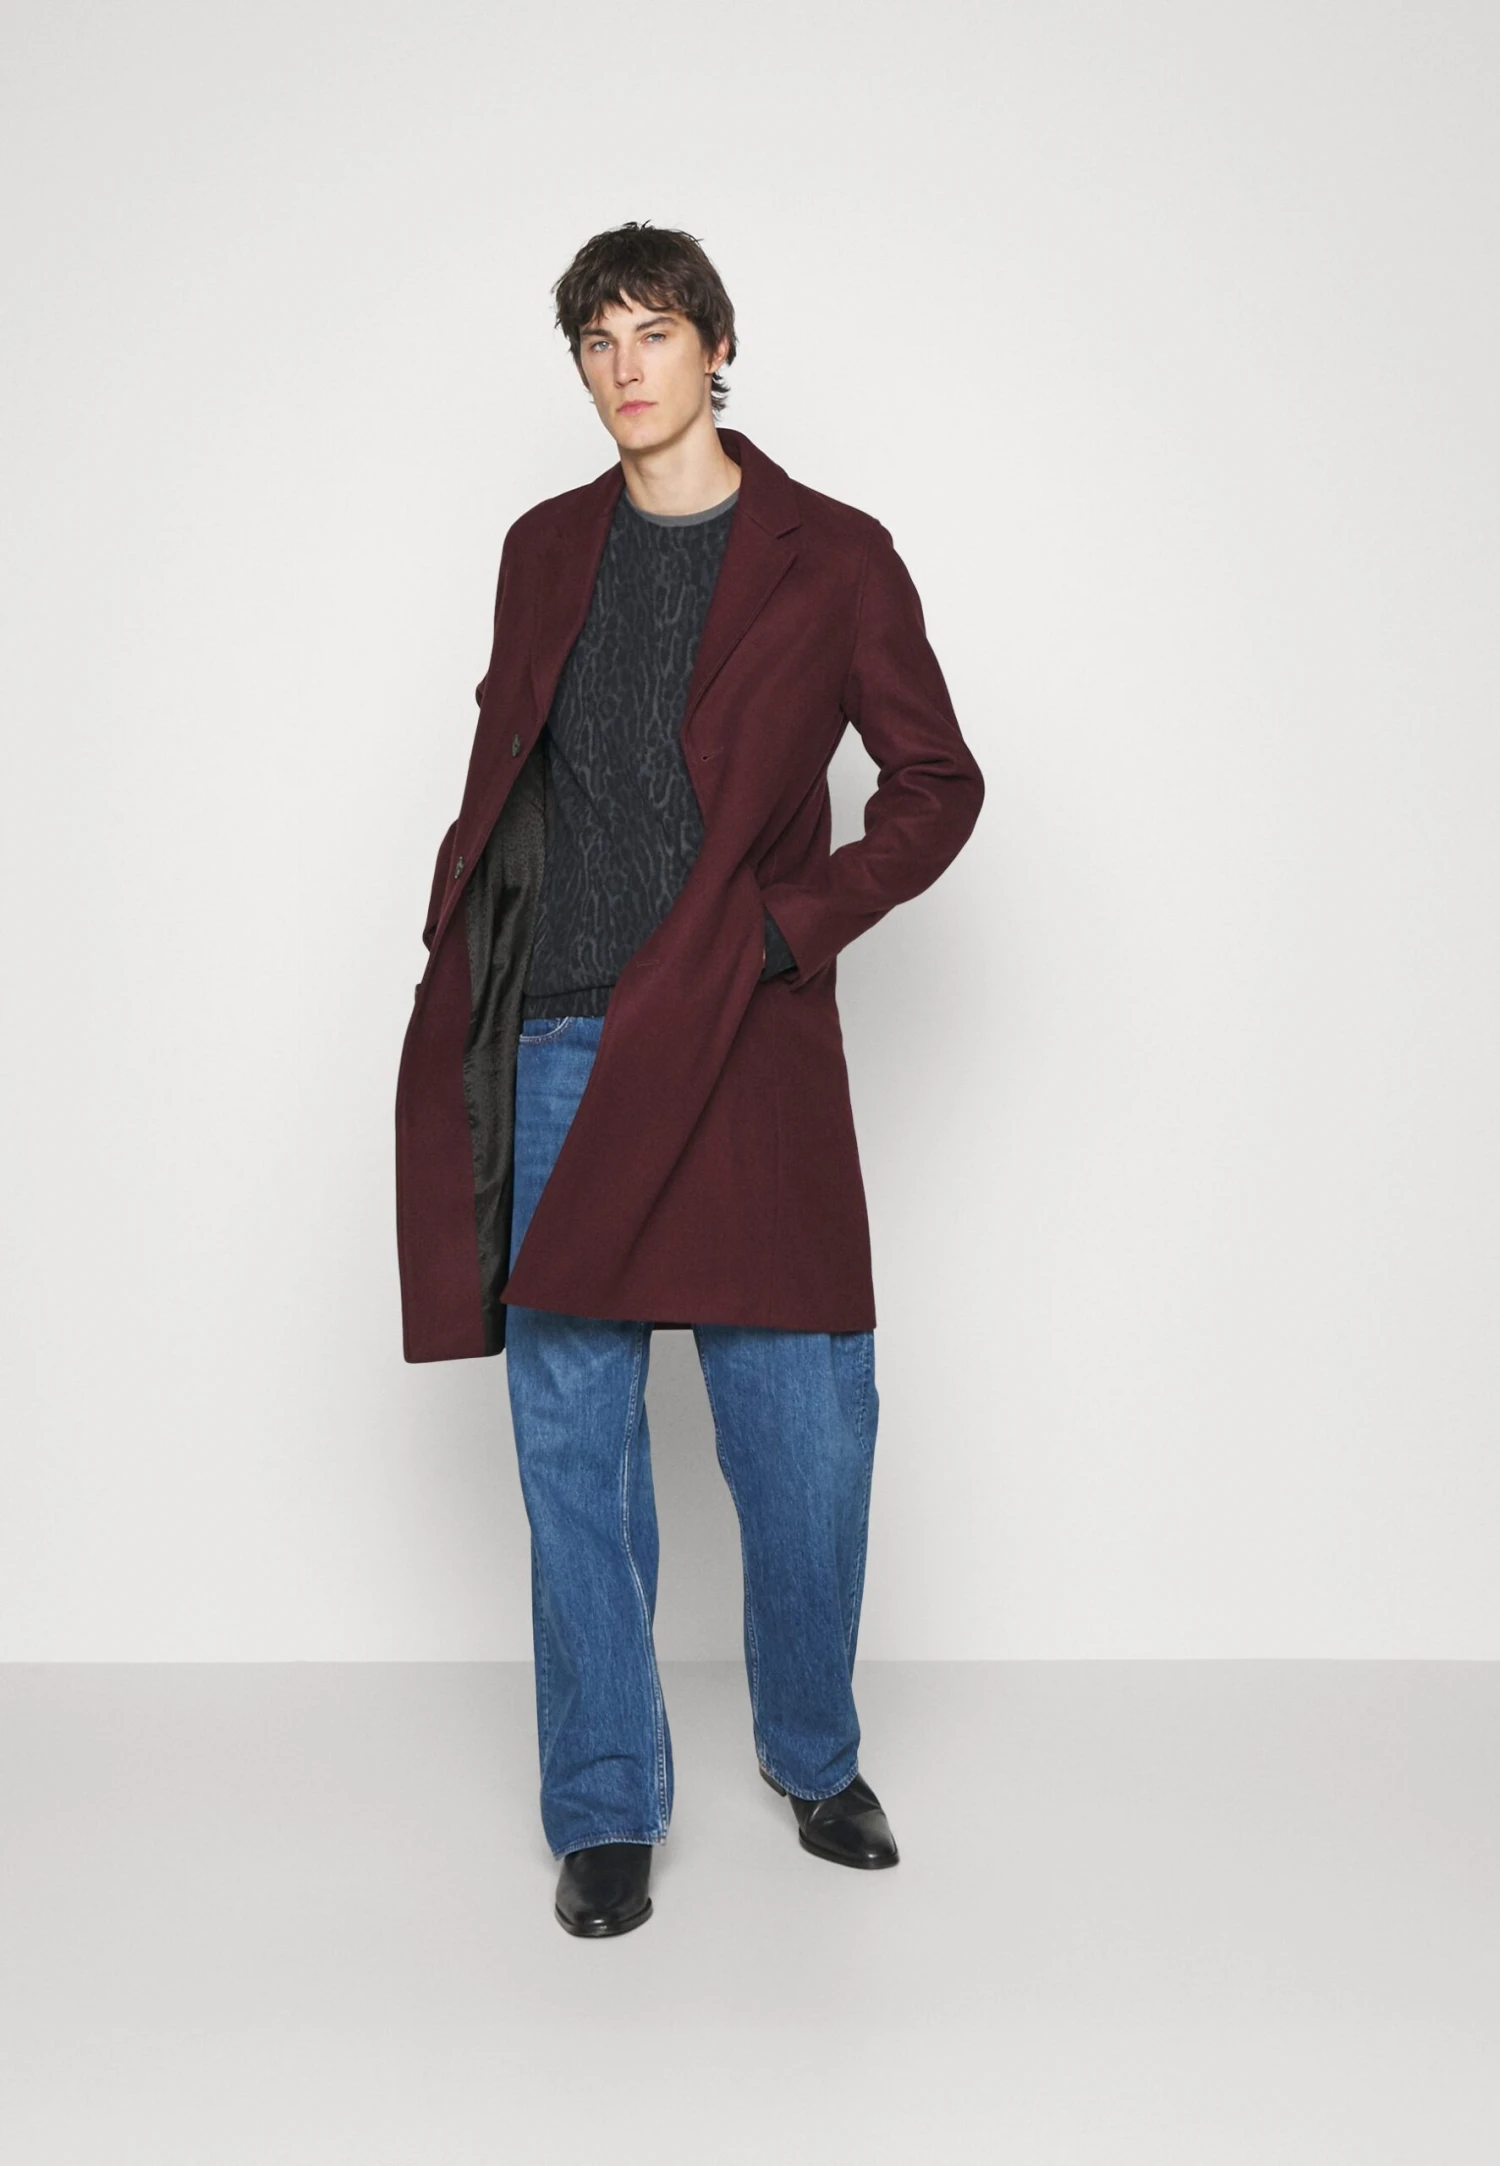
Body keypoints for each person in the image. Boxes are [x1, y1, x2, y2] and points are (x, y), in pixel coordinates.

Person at [394, 220, 985, 1938]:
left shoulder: (836, 556)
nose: (623, 367)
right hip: (559, 1041)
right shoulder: (542, 547)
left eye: (652, 331)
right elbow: (512, 764)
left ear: (716, 346)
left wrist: (792, 930)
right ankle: (604, 1800)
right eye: (595, 341)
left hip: (740, 1035)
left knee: (805, 1440)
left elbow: (937, 783)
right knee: (572, 1444)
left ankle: (814, 1751)